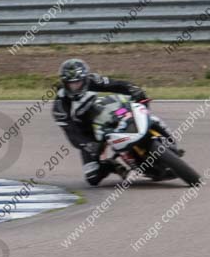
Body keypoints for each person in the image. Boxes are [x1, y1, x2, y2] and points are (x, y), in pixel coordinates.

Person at [53, 58, 150, 186]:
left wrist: (133, 89)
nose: (75, 86)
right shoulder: (60, 105)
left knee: (135, 107)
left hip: (111, 115)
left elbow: (116, 85)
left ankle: (154, 130)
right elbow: (70, 131)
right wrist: (85, 144)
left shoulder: (93, 80)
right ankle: (112, 165)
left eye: (78, 82)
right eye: (71, 84)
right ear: (64, 83)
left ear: (85, 79)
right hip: (89, 135)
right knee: (92, 177)